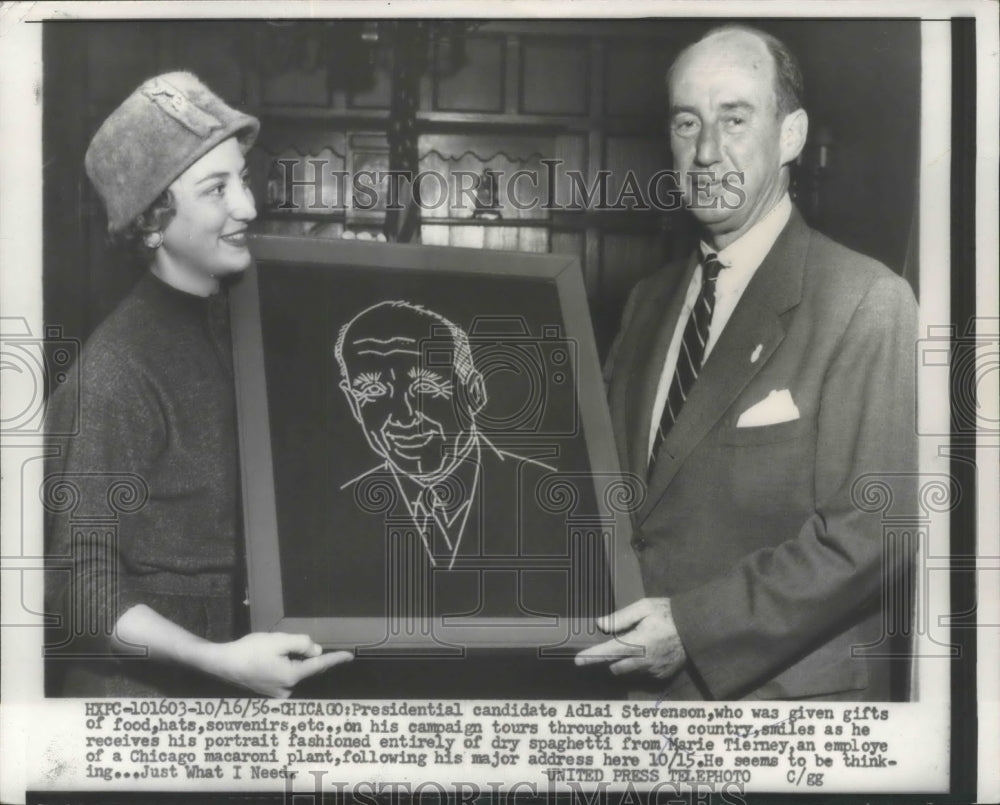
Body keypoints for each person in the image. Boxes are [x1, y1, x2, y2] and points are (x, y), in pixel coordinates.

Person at [576, 25, 918, 701]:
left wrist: (694, 627)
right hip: (633, 707)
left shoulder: (867, 301)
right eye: (686, 122)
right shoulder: (648, 301)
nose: (706, 151)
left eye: (734, 119)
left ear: (791, 135)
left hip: (778, 719)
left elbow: (875, 532)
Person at [43, 72, 351, 697]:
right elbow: (76, 583)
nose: (249, 206)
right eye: (216, 189)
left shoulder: (250, 328)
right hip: (148, 705)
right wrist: (220, 660)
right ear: (153, 221)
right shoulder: (116, 368)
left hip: (244, 666)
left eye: (242, 176)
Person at [335, 300, 556, 570]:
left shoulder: (551, 500)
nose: (403, 416)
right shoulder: (336, 513)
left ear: (473, 392)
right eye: (372, 391)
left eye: (425, 386)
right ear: (352, 403)